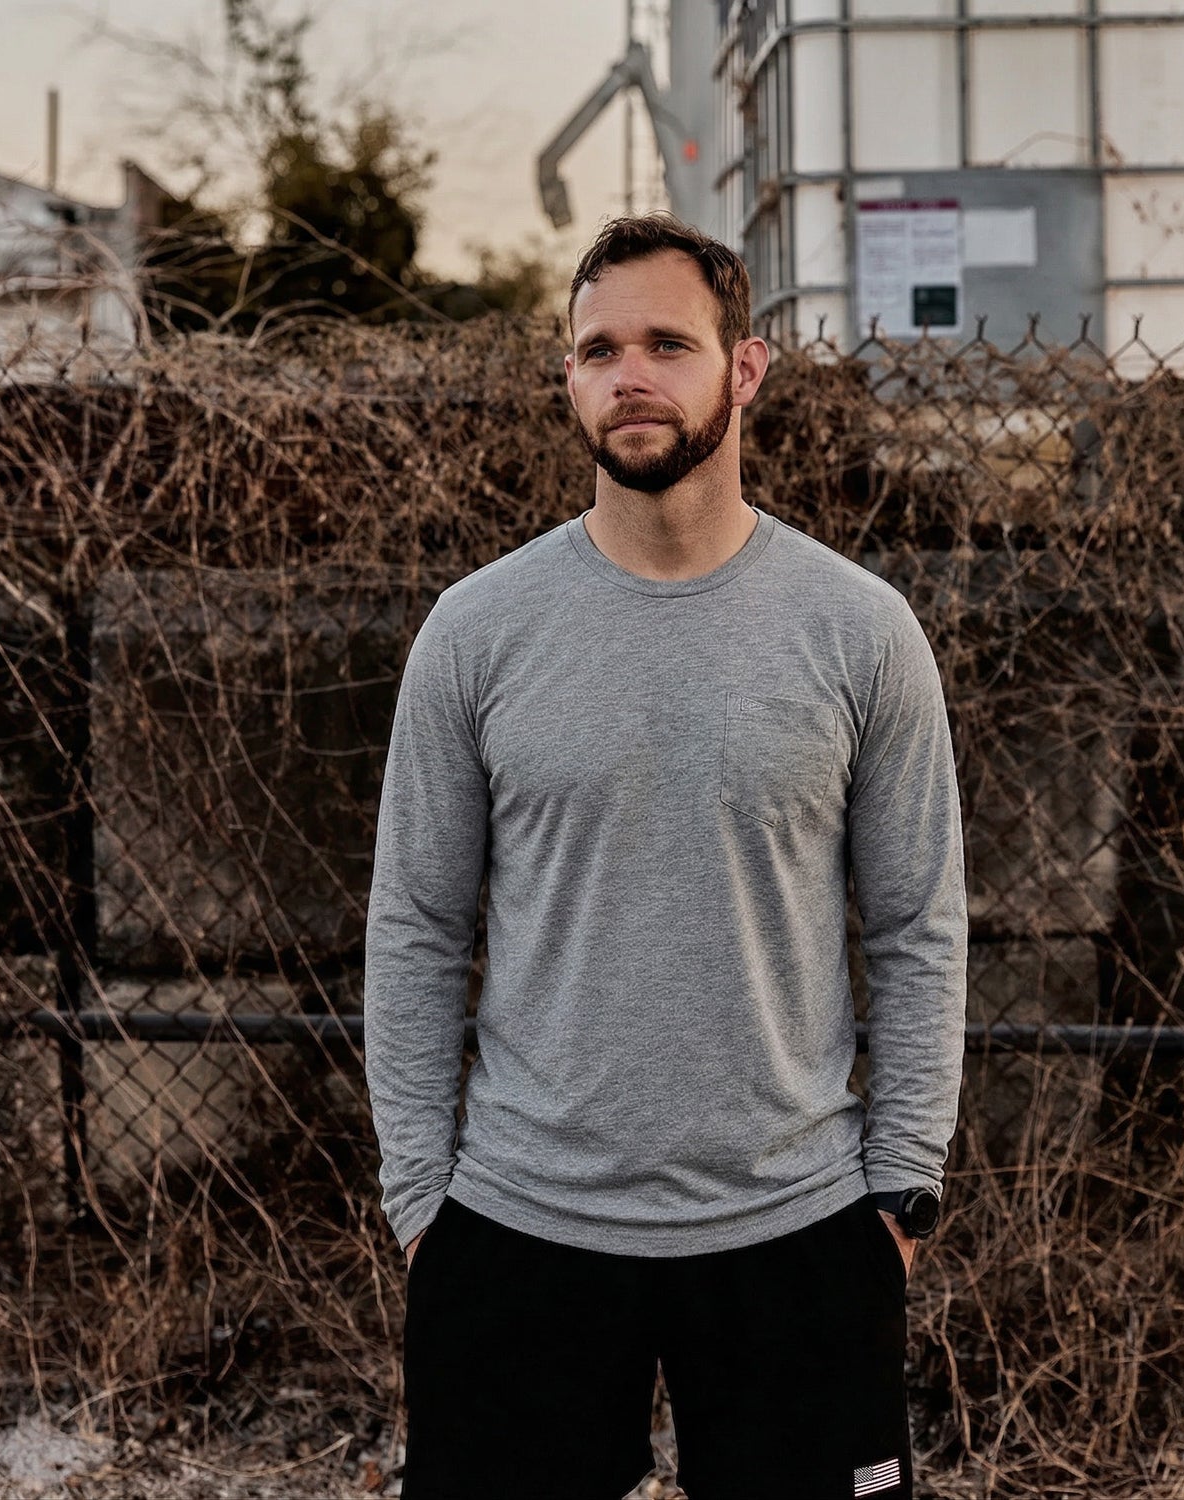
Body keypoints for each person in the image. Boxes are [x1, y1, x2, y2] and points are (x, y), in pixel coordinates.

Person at [363, 212, 967, 1500]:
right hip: (520, 1227)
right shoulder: (477, 634)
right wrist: (424, 1199)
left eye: (666, 343)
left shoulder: (861, 633)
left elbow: (919, 923)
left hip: (797, 1229)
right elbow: (416, 924)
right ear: (568, 378)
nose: (628, 374)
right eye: (596, 350)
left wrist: (902, 1194)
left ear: (743, 370)